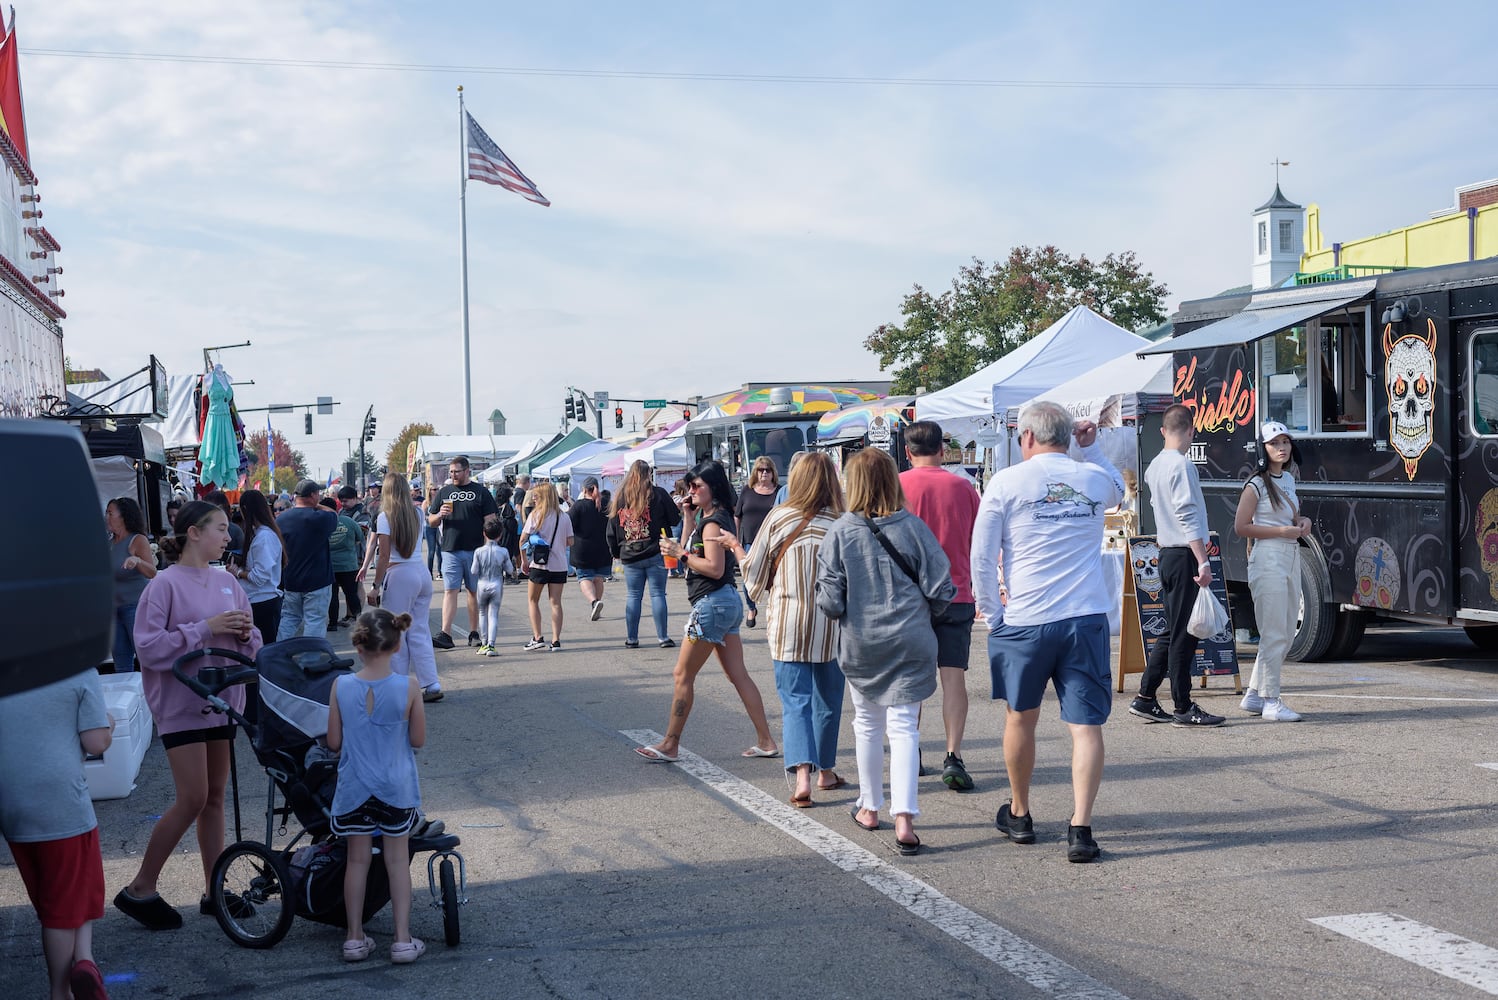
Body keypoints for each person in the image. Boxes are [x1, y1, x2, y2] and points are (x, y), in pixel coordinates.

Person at [971, 402, 1124, 864]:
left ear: (1028, 438)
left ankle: (1020, 813)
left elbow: (981, 557)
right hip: (1085, 616)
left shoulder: (1005, 482)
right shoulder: (1094, 479)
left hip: (1026, 619)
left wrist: (993, 614)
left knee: (1021, 718)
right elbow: (1119, 490)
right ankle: (1081, 826)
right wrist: (1091, 447)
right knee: (1086, 726)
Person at [117, 500, 262, 930]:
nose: (227, 535)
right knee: (194, 796)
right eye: (219, 528)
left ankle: (213, 890)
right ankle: (140, 888)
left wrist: (244, 634)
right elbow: (148, 649)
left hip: (222, 701)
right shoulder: (163, 585)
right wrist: (207, 628)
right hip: (180, 706)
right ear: (193, 533)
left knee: (214, 797)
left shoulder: (227, 583)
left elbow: (252, 643)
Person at [816, 448, 953, 856]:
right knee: (905, 727)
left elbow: (830, 602)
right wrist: (923, 615)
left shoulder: (840, 531)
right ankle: (905, 817)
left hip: (862, 641)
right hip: (911, 638)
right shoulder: (913, 528)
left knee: (867, 725)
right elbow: (943, 587)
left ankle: (870, 807)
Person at [635, 460, 777, 762]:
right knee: (738, 675)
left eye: (697, 486)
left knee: (682, 674)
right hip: (725, 601)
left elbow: (714, 567)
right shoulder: (710, 517)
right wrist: (687, 517)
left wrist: (681, 554)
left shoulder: (714, 522)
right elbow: (690, 546)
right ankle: (766, 741)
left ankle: (670, 743)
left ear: (713, 488)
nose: (691, 491)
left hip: (712, 603)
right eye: (689, 486)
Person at [734, 451, 846, 806]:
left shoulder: (778, 517)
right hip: (832, 624)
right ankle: (826, 770)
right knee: (828, 700)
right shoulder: (842, 522)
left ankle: (802, 778)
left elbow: (753, 574)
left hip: (787, 621)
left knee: (795, 701)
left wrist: (737, 550)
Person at [0, 670, 113, 1000]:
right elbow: (96, 741)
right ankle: (60, 991)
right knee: (62, 910)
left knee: (57, 895)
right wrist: (108, 722)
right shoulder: (79, 669)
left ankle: (85, 962)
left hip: (11, 804)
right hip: (60, 801)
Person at [326, 609, 427, 965]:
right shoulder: (409, 686)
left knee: (357, 861)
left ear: (358, 646)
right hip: (396, 787)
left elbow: (334, 742)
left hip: (355, 787)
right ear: (397, 646)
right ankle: (401, 940)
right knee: (397, 862)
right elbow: (418, 739)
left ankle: (354, 938)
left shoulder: (341, 686)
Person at [1129, 404, 1226, 728]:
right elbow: (1187, 514)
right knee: (1184, 636)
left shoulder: (1155, 465)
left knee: (1172, 632)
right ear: (1191, 430)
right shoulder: (1182, 466)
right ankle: (1183, 706)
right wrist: (1203, 559)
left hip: (1166, 552)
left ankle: (1145, 697)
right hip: (1184, 553)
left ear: (1162, 430)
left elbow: (1162, 509)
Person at [899, 420, 982, 792]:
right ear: (942, 450)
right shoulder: (964, 488)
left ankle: (910, 750)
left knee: (911, 681)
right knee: (953, 679)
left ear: (907, 451)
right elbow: (976, 540)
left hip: (909, 597)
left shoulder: (896, 487)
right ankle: (953, 754)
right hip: (956, 591)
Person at [1233, 421, 1312, 722]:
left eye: (1285, 442)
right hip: (1268, 558)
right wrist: (1281, 530)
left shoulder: (1288, 480)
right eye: (1274, 443)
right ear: (1263, 449)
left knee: (1285, 631)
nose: (1281, 447)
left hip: (1290, 554)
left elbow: (1295, 516)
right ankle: (1271, 700)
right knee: (1274, 632)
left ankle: (1255, 695)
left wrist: (1302, 523)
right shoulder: (1255, 484)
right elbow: (1241, 527)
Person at [366, 472, 444, 703]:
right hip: (420, 571)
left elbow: (384, 556)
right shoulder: (417, 512)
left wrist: (375, 586)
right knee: (419, 631)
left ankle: (397, 686)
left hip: (399, 574)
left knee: (395, 632)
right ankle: (431, 683)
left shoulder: (385, 517)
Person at [606, 460, 681, 648]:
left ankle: (632, 638)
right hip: (656, 551)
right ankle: (663, 637)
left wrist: (616, 552)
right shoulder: (658, 494)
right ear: (649, 474)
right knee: (657, 594)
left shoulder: (620, 498)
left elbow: (611, 529)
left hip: (630, 554)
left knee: (633, 595)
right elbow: (674, 518)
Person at [427, 456, 498, 649]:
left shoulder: (480, 492)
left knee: (473, 591)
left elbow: (490, 522)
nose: (453, 475)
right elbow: (431, 521)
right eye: (451, 472)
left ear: (467, 471)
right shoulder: (444, 492)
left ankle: (474, 633)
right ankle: (446, 634)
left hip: (475, 550)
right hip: (450, 549)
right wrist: (439, 515)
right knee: (450, 591)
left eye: (456, 471)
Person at [277, 480, 338, 640]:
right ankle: (310, 661)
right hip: (318, 580)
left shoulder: (281, 519)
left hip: (291, 579)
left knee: (289, 619)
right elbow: (333, 513)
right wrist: (317, 506)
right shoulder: (320, 517)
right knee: (315, 621)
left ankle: (280, 655)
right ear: (312, 495)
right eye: (317, 494)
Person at [519, 482, 574, 651]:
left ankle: (538, 637)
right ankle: (556, 640)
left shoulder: (536, 515)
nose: (533, 499)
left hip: (539, 564)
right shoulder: (564, 516)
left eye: (536, 496)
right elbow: (570, 541)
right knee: (556, 602)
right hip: (559, 564)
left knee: (532, 600)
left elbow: (522, 540)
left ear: (542, 497)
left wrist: (524, 561)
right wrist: (557, 544)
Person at [106, 496, 157, 672]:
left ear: (123, 516)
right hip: (114, 610)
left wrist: (138, 561)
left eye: (110, 512)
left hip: (135, 607)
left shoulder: (137, 540)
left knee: (145, 658)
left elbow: (152, 572)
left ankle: (153, 696)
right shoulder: (110, 543)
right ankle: (129, 696)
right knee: (121, 661)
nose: (107, 517)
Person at [734, 456, 779, 628]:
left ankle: (773, 609)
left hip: (772, 541)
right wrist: (737, 539)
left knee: (773, 579)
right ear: (756, 472)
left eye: (767, 470)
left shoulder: (779, 491)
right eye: (761, 470)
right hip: (750, 541)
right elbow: (737, 516)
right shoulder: (747, 490)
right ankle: (751, 608)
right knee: (748, 578)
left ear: (773, 472)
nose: (764, 473)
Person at [236, 489, 285, 645]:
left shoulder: (264, 537)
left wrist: (238, 572)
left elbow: (259, 577)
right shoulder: (261, 534)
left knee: (264, 652)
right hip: (260, 601)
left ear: (245, 509)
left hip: (263, 602)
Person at [569, 477, 613, 621]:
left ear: (584, 489)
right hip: (603, 548)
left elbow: (568, 524)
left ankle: (594, 602)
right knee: (598, 578)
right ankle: (596, 606)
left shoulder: (579, 506)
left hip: (583, 549)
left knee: (584, 577)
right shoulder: (607, 504)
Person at [472, 516, 515, 656]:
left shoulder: (478, 551)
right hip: (496, 583)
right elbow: (509, 569)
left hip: (482, 584)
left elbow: (474, 570)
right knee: (493, 614)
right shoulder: (503, 551)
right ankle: (491, 644)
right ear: (500, 534)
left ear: (484, 533)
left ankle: (483, 644)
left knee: (482, 613)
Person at [322, 497, 365, 630]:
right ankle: (359, 619)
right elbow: (361, 537)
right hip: (349, 565)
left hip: (330, 567)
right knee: (351, 593)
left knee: (332, 596)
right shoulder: (349, 522)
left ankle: (332, 623)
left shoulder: (321, 525)